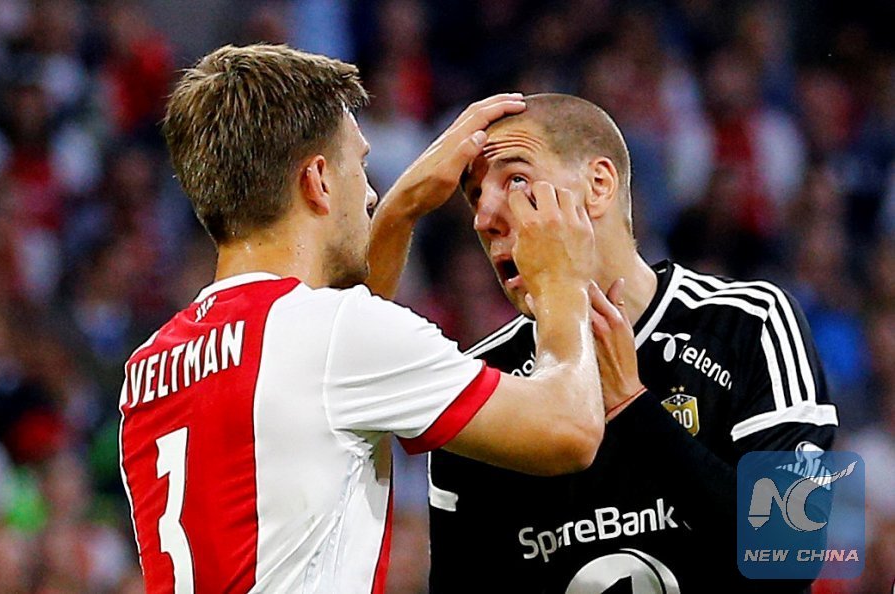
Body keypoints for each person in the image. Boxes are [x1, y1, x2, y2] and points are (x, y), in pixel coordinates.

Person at [117, 46, 635, 593]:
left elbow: (331, 365)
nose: (369, 194)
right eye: (360, 166)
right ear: (318, 180)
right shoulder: (333, 335)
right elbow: (569, 429)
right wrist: (560, 280)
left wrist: (404, 208)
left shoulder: (148, 367)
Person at [372, 93, 839, 592]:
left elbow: (790, 559)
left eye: (517, 180)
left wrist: (632, 408)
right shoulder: (483, 382)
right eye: (473, 196)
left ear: (599, 185)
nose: (484, 217)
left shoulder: (749, 321)